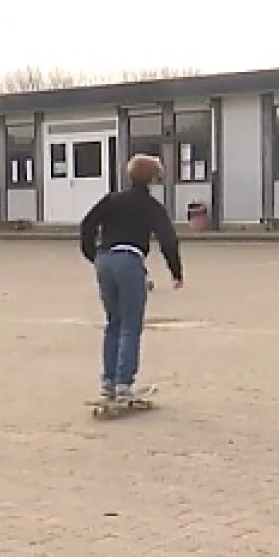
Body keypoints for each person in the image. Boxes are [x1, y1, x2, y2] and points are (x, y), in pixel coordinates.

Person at [80, 155, 184, 401]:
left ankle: (108, 380)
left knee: (113, 321)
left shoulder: (112, 199)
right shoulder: (151, 206)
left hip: (105, 260)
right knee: (130, 323)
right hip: (129, 259)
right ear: (153, 179)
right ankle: (124, 384)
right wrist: (176, 272)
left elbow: (88, 224)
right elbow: (168, 239)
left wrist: (92, 254)